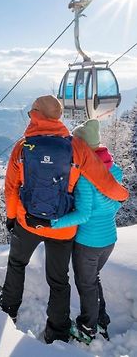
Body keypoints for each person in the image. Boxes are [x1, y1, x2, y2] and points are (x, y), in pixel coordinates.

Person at [0, 95, 129, 344]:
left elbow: (11, 188)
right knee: (58, 280)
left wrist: (12, 217)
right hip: (62, 228)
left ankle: (9, 310)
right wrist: (123, 196)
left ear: (35, 115)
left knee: (17, 263)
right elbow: (104, 180)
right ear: (58, 117)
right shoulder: (75, 147)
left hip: (28, 222)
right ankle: (57, 332)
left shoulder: (22, 147)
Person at [51, 119, 122, 343]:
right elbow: (118, 202)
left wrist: (54, 222)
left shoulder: (85, 176)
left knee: (86, 284)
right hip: (109, 239)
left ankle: (87, 328)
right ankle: (100, 320)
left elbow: (83, 215)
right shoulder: (115, 169)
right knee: (93, 279)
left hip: (88, 243)